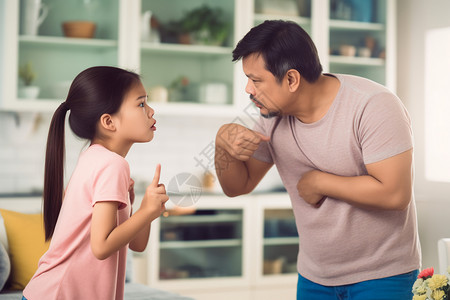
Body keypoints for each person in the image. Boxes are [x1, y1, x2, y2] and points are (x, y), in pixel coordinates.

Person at [214, 20, 421, 299]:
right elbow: (237, 186)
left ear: (291, 79)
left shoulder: (373, 105)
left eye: (256, 80)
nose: (248, 90)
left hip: (383, 276)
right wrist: (222, 146)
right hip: (314, 277)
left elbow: (395, 193)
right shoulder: (270, 116)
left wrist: (320, 182)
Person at [23, 66, 169, 300]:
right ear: (109, 122)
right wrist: (146, 211)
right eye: (141, 104)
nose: (151, 111)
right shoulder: (112, 164)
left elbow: (137, 245)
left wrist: (145, 211)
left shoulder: (95, 157)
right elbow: (101, 247)